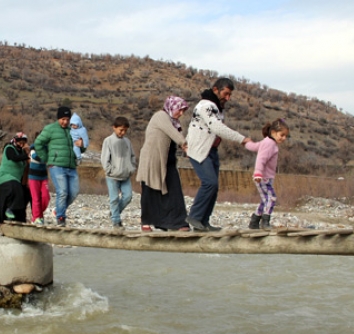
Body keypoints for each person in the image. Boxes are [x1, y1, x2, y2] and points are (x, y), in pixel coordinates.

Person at [186, 78, 251, 232]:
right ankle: (194, 216)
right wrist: (241, 139)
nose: (227, 98)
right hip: (199, 150)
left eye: (230, 95)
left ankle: (203, 222)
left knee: (214, 187)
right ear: (216, 90)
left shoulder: (216, 107)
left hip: (211, 150)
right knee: (210, 183)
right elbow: (217, 128)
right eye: (225, 94)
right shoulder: (205, 106)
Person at [136, 96, 190, 232]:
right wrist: (184, 145)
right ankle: (146, 222)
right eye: (180, 110)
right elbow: (173, 134)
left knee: (174, 190)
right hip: (152, 159)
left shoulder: (175, 122)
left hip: (167, 160)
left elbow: (179, 134)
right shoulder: (160, 116)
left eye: (183, 111)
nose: (181, 114)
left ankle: (178, 222)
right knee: (150, 190)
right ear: (172, 107)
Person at [34, 106, 81, 227]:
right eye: (63, 119)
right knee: (63, 192)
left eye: (67, 119)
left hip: (71, 165)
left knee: (74, 192)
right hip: (57, 166)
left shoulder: (73, 130)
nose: (65, 122)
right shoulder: (50, 129)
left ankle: (58, 210)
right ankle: (61, 217)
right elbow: (38, 143)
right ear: (58, 118)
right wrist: (47, 158)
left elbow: (79, 147)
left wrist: (82, 145)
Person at [244, 118, 290, 230]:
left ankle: (254, 222)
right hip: (262, 177)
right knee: (272, 198)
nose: (284, 138)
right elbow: (261, 159)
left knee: (265, 200)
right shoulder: (269, 144)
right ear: (273, 132)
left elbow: (255, 147)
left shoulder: (268, 142)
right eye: (282, 135)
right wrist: (258, 173)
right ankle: (265, 222)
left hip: (266, 177)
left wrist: (246, 143)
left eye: (285, 136)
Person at [101, 116, 137, 230]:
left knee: (128, 196)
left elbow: (132, 156)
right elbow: (104, 159)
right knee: (114, 198)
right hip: (112, 176)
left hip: (125, 175)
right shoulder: (108, 141)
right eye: (121, 130)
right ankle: (116, 221)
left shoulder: (127, 141)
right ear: (114, 128)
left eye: (125, 130)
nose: (123, 132)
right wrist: (110, 170)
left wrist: (131, 168)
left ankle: (114, 213)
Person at [0, 132, 30, 223]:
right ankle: (10, 209)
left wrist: (27, 152)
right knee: (16, 189)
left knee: (23, 194)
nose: (21, 144)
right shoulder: (9, 148)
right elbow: (14, 157)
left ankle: (19, 219)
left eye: (23, 142)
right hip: (5, 177)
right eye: (20, 142)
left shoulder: (22, 153)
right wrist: (27, 155)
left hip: (16, 179)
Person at [28, 131, 50, 226]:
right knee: (36, 198)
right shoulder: (33, 147)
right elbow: (34, 156)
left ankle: (38, 215)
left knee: (46, 197)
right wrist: (45, 158)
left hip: (43, 176)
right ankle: (37, 217)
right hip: (33, 176)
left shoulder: (48, 148)